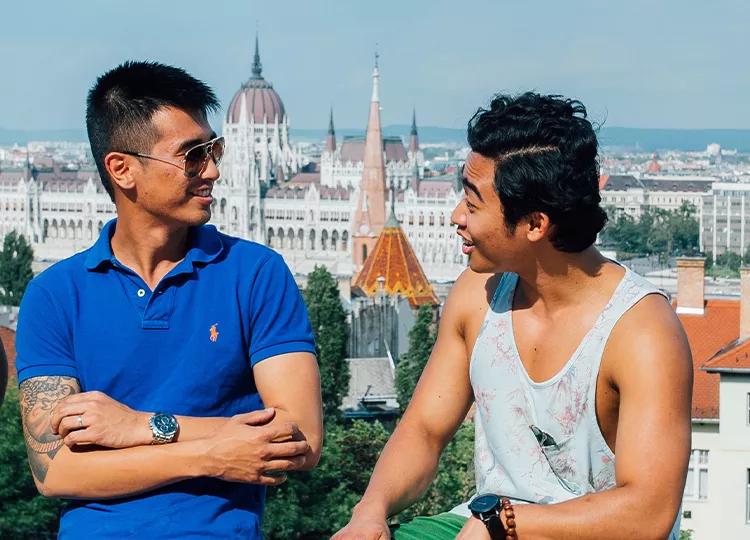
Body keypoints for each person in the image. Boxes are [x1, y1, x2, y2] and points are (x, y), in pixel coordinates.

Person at [333, 93, 692, 540]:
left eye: (473, 204)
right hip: (484, 527)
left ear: (535, 225)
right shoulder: (476, 295)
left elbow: (649, 512)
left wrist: (506, 526)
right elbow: (425, 430)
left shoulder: (642, 332)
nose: (455, 217)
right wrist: (371, 509)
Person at [15, 61, 323, 539]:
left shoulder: (257, 274)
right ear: (122, 169)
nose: (213, 170)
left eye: (214, 149)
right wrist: (212, 453)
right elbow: (56, 473)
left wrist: (142, 427)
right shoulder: (54, 295)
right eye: (193, 155)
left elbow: (299, 438)